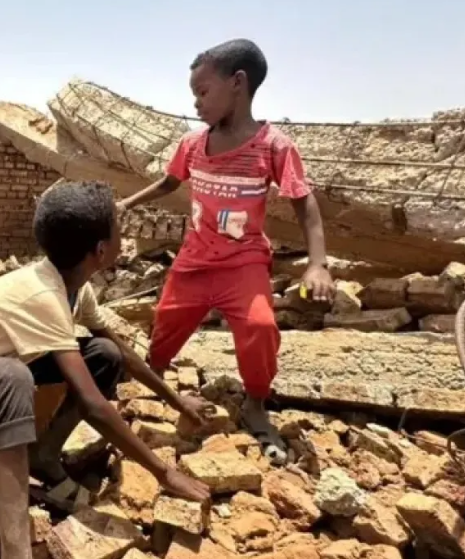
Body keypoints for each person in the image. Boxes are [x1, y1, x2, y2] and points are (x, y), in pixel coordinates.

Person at [0, 180, 211, 559]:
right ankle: (16, 550)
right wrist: (164, 473)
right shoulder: (43, 294)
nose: (124, 235)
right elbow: (93, 404)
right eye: (119, 229)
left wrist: (177, 401)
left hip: (7, 362)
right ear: (101, 250)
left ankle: (45, 456)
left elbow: (121, 351)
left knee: (105, 354)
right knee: (13, 379)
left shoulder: (75, 284)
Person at [117, 39, 335, 464]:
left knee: (260, 327)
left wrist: (317, 264)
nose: (196, 103)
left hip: (244, 262)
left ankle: (255, 402)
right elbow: (169, 182)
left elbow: (304, 203)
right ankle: (153, 378)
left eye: (203, 92)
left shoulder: (274, 146)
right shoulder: (192, 144)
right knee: (167, 322)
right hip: (194, 260)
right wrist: (126, 203)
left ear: (238, 83)